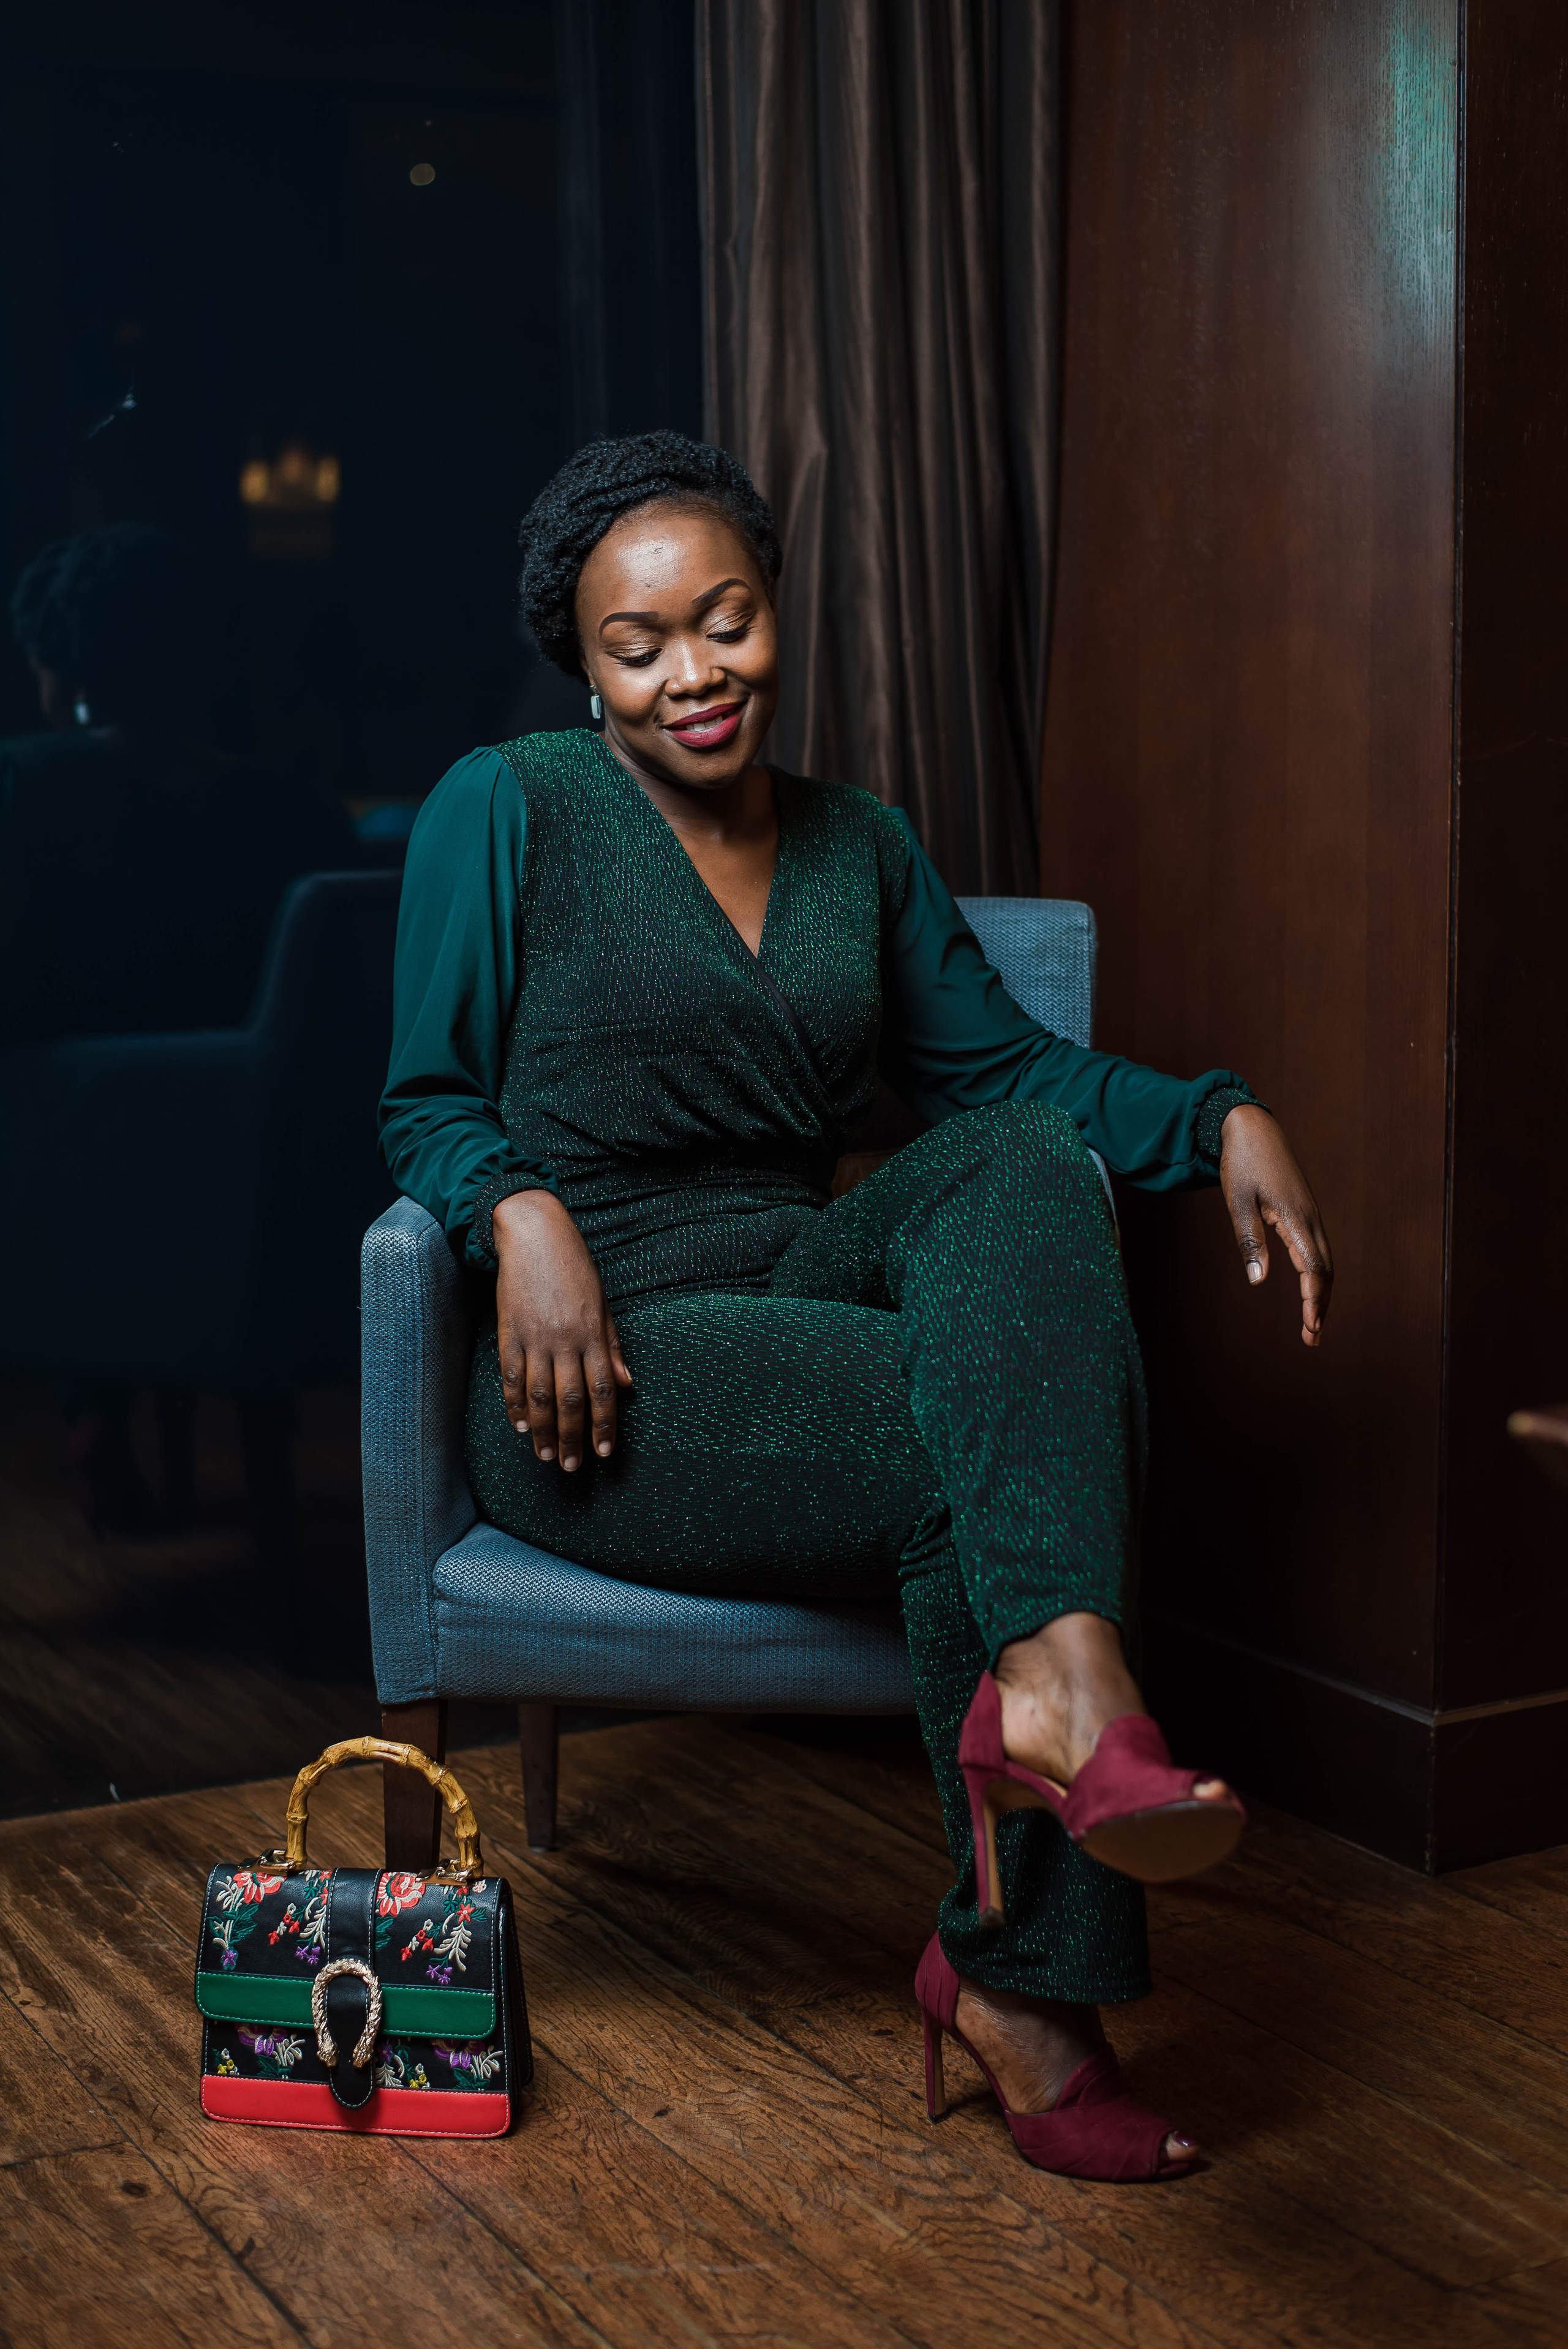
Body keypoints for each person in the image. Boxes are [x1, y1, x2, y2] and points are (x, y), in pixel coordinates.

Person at [382, 432, 1333, 2182]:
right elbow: (424, 1098)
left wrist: (1215, 1116)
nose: (693, 674)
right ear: (584, 667)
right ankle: (1031, 1976)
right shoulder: (504, 804)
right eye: (638, 643)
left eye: (723, 620)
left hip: (799, 1278)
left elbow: (1005, 1077)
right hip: (605, 1369)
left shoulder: (861, 843)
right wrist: (516, 1209)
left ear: (774, 606)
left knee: (1026, 1160)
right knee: (984, 1433)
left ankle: (1061, 1692)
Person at [1, 524, 361, 1528]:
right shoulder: (295, 809)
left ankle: (91, 1405)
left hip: (73, 1185)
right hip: (279, 1205)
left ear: (59, 663)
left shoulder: (27, 789)